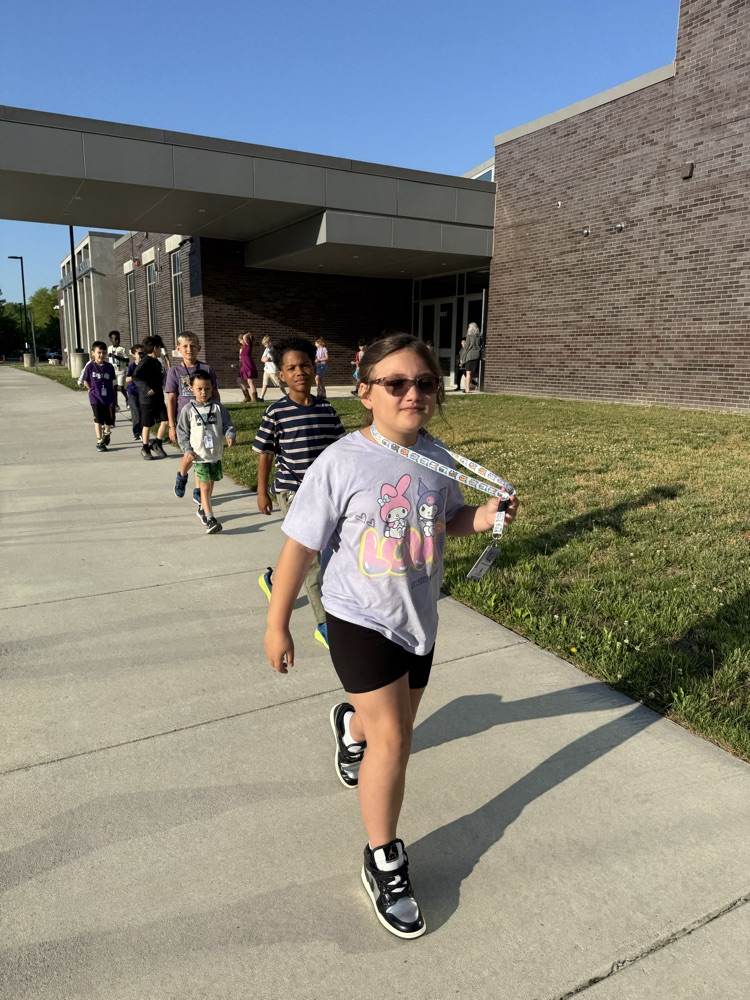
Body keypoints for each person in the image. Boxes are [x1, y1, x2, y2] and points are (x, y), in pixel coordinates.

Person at [263, 333, 518, 939]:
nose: (412, 393)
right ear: (366, 392)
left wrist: (483, 518)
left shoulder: (437, 459)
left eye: (425, 383)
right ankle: (384, 858)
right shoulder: (343, 461)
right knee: (396, 742)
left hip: (417, 618)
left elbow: (448, 519)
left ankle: (349, 726)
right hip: (358, 615)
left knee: (390, 723)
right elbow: (299, 544)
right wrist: (278, 622)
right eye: (395, 383)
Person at [253, 336, 345, 647]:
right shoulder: (276, 412)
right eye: (291, 368)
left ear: (314, 367)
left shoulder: (326, 409)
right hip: (291, 492)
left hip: (325, 493)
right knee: (311, 559)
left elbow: (341, 452)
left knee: (318, 552)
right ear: (281, 375)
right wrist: (262, 492)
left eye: (304, 365)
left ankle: (275, 580)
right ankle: (324, 623)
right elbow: (265, 453)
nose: (299, 372)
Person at [176, 371, 236, 534]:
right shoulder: (188, 409)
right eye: (199, 389)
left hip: (215, 454)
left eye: (207, 389)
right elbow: (181, 432)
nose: (203, 392)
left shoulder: (217, 407)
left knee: (210, 484)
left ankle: (203, 507)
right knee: (203, 485)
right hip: (198, 455)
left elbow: (228, 424)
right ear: (191, 388)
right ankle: (210, 518)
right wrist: (187, 450)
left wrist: (230, 434)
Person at [166, 332, 221, 501]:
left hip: (205, 419)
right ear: (178, 349)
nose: (189, 349)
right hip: (186, 420)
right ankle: (182, 475)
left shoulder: (206, 369)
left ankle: (199, 490)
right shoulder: (175, 371)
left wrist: (218, 414)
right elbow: (172, 398)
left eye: (192, 346)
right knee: (191, 452)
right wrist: (172, 425)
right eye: (185, 346)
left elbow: (216, 393)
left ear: (199, 347)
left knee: (201, 453)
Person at [133, 336, 169, 460]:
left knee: (165, 421)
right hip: (147, 400)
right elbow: (136, 377)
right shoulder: (145, 362)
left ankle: (157, 444)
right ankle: (145, 448)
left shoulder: (157, 362)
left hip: (158, 398)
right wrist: (146, 388)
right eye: (160, 348)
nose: (161, 351)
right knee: (147, 425)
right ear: (155, 348)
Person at [82, 341, 116, 452]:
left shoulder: (109, 367)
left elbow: (112, 381)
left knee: (109, 420)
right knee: (98, 420)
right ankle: (99, 440)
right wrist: (91, 389)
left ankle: (107, 433)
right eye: (99, 352)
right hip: (95, 397)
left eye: (104, 352)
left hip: (108, 397)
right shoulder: (90, 366)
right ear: (93, 353)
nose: (101, 355)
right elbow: (86, 380)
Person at [125, 345, 145, 442]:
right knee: (135, 411)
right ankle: (137, 432)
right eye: (139, 353)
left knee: (142, 411)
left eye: (143, 353)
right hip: (132, 391)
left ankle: (142, 431)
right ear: (133, 355)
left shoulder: (146, 365)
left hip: (143, 392)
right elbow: (127, 379)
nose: (141, 355)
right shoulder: (132, 366)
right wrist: (134, 376)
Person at [258, 336, 287, 400]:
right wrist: (264, 358)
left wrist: (265, 358)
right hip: (266, 370)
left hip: (273, 370)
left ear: (269, 342)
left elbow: (266, 358)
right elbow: (262, 359)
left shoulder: (272, 350)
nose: (265, 346)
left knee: (279, 384)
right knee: (264, 384)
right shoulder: (266, 349)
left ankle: (286, 394)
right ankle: (261, 397)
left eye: (265, 344)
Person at [107, 330, 129, 411]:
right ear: (110, 339)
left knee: (121, 387)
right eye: (114, 339)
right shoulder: (109, 348)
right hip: (113, 371)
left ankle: (127, 398)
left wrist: (116, 357)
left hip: (121, 371)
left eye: (118, 339)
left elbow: (127, 360)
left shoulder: (122, 349)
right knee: (114, 388)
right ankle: (116, 404)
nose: (117, 340)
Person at [238, 333, 259, 402]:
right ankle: (247, 397)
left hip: (248, 364)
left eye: (240, 340)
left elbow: (244, 336)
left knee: (250, 381)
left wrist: (249, 333)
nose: (240, 342)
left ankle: (254, 398)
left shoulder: (248, 345)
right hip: (243, 365)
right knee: (239, 380)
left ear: (245, 340)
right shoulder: (243, 347)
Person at [462, 322, 482, 393]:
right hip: (477, 355)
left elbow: (466, 347)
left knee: (468, 373)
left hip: (470, 356)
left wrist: (462, 357)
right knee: (475, 372)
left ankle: (467, 389)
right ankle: (477, 384)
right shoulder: (479, 336)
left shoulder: (469, 336)